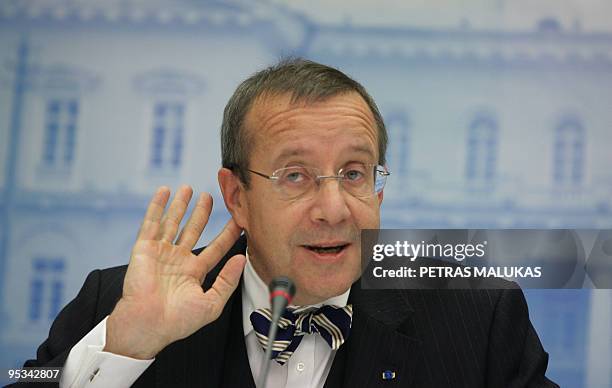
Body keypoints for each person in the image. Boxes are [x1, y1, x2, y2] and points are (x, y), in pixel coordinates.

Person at [13, 59, 558, 387]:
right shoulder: (117, 302)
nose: (335, 208)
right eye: (295, 175)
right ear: (238, 196)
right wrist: (123, 348)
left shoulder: (479, 315)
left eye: (354, 173)